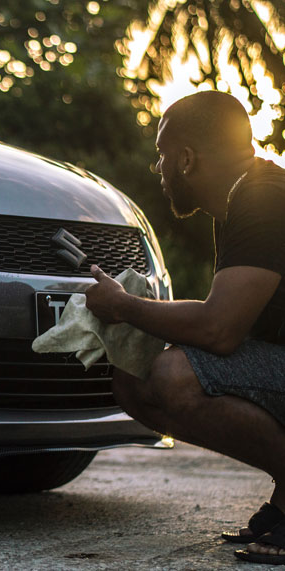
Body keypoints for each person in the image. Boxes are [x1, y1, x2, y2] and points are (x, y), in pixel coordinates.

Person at [85, 90, 285, 565]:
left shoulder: (261, 198)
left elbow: (220, 329)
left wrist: (125, 306)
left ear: (188, 159)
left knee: (174, 375)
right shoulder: (246, 196)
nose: (159, 169)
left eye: (162, 155)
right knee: (135, 379)